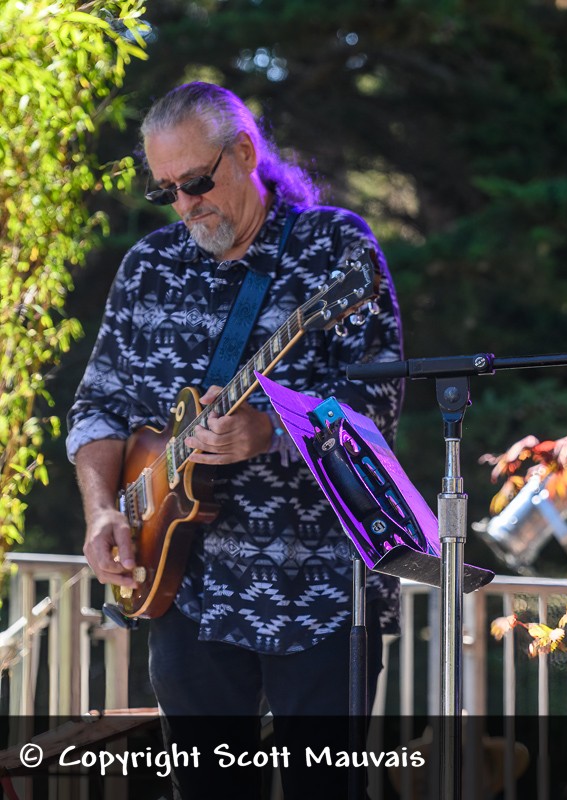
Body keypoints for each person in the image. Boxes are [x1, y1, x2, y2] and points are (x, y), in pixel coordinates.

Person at [67, 82, 405, 799]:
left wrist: (274, 428)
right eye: (167, 191)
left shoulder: (336, 249)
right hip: (186, 594)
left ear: (245, 152)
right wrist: (102, 511)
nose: (186, 205)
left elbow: (381, 400)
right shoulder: (147, 267)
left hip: (318, 594)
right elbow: (99, 406)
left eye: (196, 182)